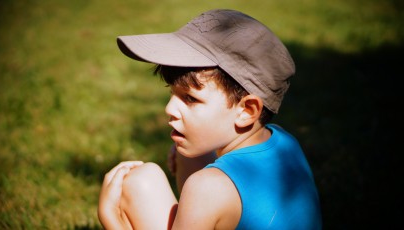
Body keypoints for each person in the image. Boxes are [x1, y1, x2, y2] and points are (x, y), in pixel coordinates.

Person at [98, 9, 322, 230]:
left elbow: (208, 188)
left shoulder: (205, 188)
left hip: (207, 194)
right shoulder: (284, 140)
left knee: (137, 182)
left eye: (190, 98)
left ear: (247, 110)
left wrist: (112, 220)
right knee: (186, 157)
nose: (169, 109)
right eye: (172, 93)